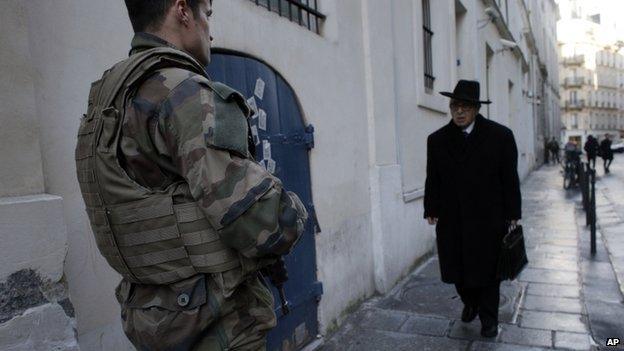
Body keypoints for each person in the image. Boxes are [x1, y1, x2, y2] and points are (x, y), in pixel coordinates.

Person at [74, 1, 308, 349]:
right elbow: (263, 224)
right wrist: (295, 212)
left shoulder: (107, 99)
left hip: (151, 317)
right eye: (207, 14)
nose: (210, 30)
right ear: (182, 10)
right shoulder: (183, 92)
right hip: (215, 325)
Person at [424, 80, 521, 338]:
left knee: (489, 272)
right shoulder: (437, 140)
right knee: (457, 270)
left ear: (477, 109)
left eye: (465, 107)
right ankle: (471, 301)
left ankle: (489, 320)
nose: (459, 111)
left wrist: (513, 214)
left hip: (489, 218)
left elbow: (509, 178)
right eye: (455, 105)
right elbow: (432, 177)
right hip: (453, 218)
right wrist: (431, 207)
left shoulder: (500, 136)